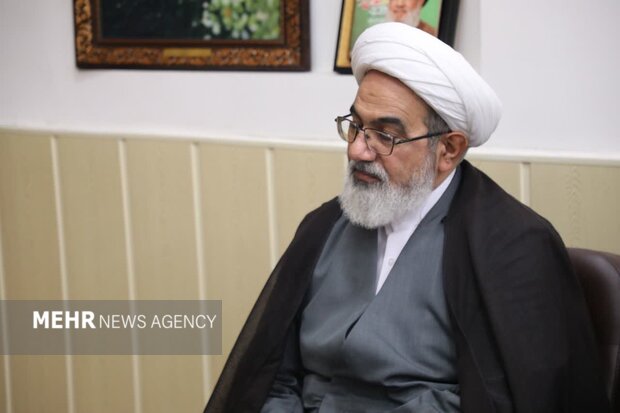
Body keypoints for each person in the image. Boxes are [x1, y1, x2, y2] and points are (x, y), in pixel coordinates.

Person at [204, 23, 610, 413]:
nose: (358, 150)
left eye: (386, 135)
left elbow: (505, 398)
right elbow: (271, 373)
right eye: (355, 126)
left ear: (449, 149)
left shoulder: (516, 246)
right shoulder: (324, 227)